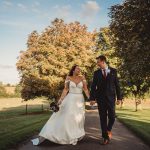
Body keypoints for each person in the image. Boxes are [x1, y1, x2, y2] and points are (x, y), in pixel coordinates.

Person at [31, 65, 90, 146]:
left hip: (80, 100)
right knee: (69, 117)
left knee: (79, 117)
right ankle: (69, 136)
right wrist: (61, 100)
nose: (79, 70)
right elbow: (65, 89)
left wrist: (90, 98)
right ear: (73, 70)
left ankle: (75, 135)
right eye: (77, 68)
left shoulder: (82, 77)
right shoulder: (68, 78)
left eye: (80, 68)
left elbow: (85, 89)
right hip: (70, 99)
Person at [89, 55, 123, 145]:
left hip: (111, 98)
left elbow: (117, 85)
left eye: (98, 61)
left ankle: (108, 130)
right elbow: (93, 86)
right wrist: (92, 98)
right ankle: (105, 137)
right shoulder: (96, 73)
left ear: (103, 61)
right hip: (101, 99)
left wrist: (119, 97)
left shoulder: (113, 71)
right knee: (102, 118)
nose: (97, 63)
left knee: (112, 117)